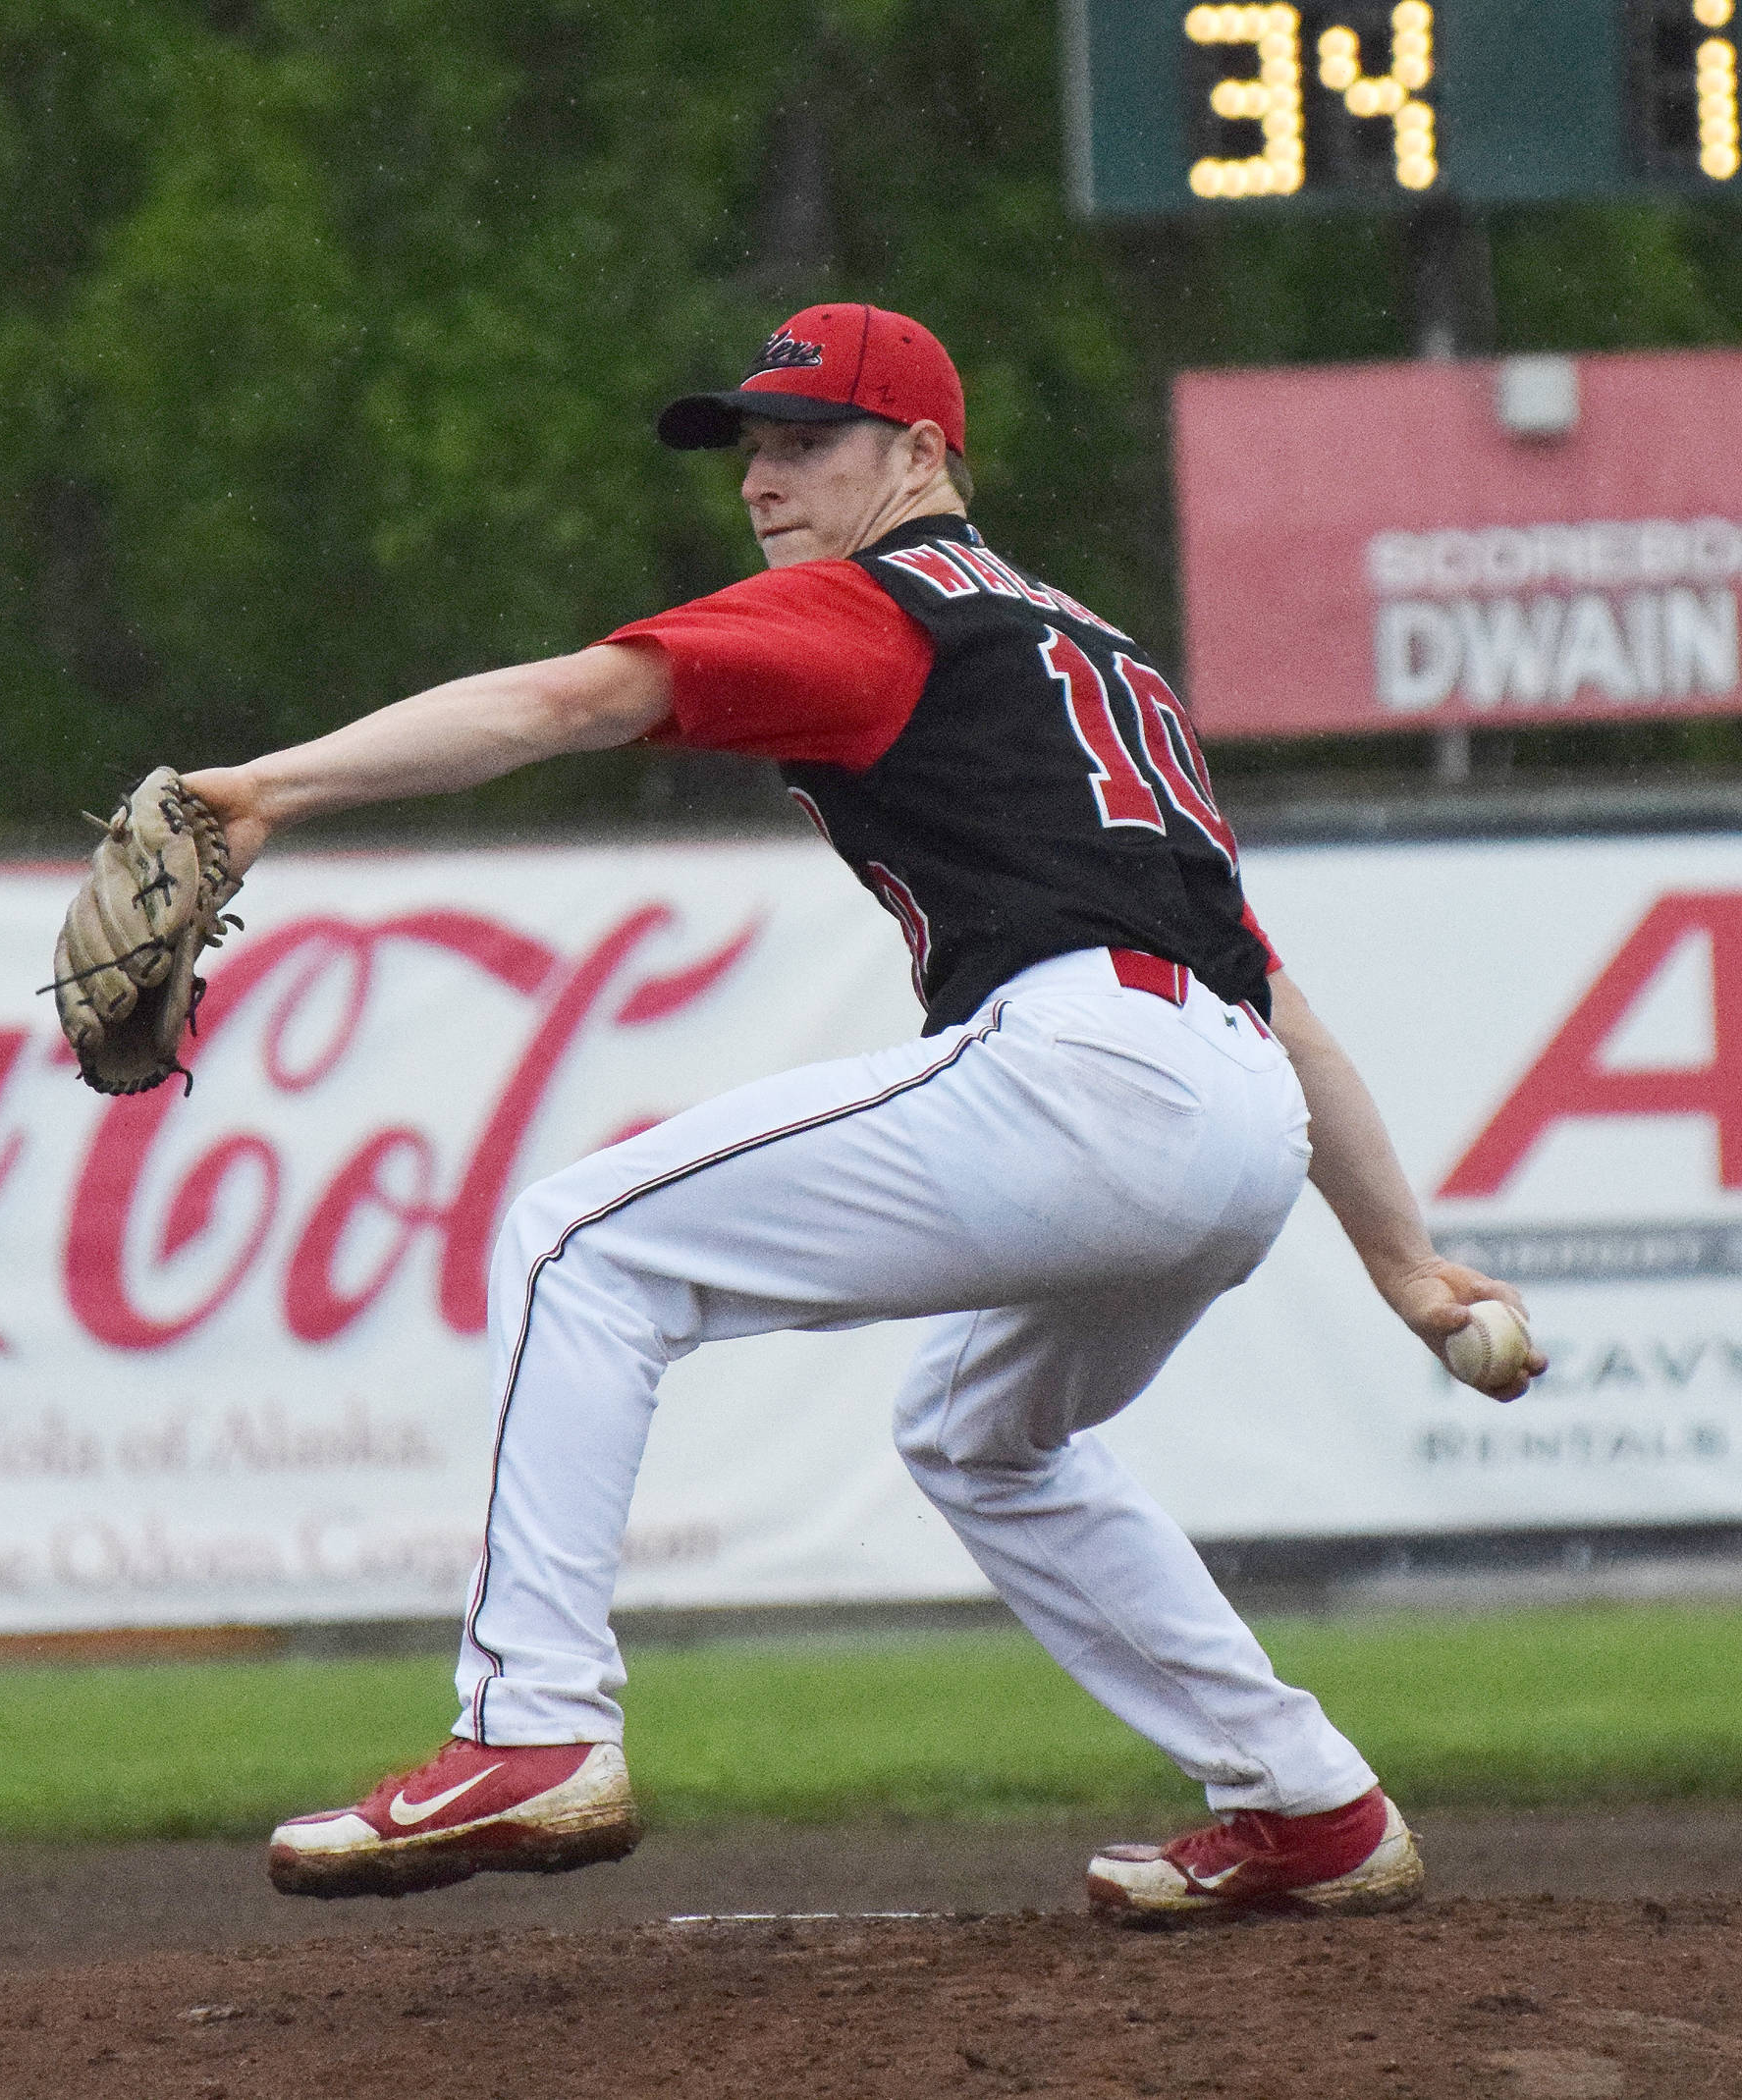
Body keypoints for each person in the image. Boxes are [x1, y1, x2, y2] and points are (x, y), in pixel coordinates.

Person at [182, 303, 1544, 1919]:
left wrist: (261, 789)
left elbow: (564, 705)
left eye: (805, 442)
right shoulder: (1094, 648)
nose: (763, 479)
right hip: (1239, 1117)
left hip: (1088, 1072)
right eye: (750, 447)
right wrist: (1404, 1259)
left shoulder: (874, 611)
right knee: (983, 1434)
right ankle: (1305, 1802)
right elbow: (1270, 989)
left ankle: (531, 1726)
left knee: (574, 1245)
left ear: (918, 455)